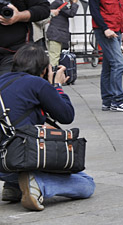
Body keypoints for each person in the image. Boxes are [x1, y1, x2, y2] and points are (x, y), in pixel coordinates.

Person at [0, 44, 93, 212]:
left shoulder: (2, 80)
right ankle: (39, 185)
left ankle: (13, 187)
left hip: (3, 163)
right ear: (44, 70)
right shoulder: (36, 83)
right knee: (87, 184)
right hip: (20, 159)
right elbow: (66, 116)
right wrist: (56, 86)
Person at [45, 0, 79, 67]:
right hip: (56, 34)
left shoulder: (60, 2)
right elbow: (71, 13)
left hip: (58, 34)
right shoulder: (59, 3)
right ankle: (52, 75)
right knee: (54, 57)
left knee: (56, 56)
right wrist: (74, 3)